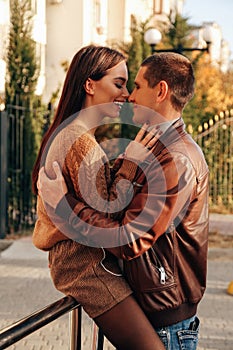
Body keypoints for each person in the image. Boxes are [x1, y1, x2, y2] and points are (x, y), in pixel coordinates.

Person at [38, 52, 209, 350]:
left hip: (167, 315)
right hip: (152, 302)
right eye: (120, 83)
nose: (129, 95)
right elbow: (114, 206)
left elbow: (128, 236)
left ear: (161, 91)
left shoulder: (175, 157)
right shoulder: (150, 145)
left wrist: (66, 205)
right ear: (90, 86)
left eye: (136, 85)